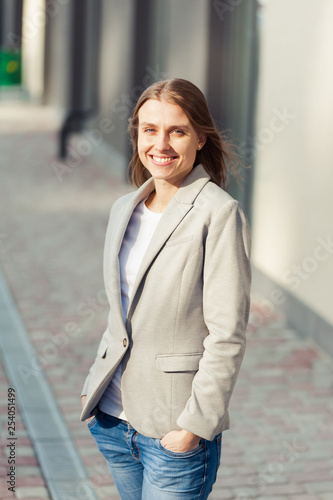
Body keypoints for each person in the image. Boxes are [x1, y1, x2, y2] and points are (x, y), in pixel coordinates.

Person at [80, 78, 251, 499]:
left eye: (177, 131)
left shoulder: (218, 213)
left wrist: (194, 426)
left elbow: (227, 333)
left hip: (173, 433)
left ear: (199, 138)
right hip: (114, 420)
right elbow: (121, 310)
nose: (162, 143)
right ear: (137, 133)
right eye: (149, 129)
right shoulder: (125, 208)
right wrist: (94, 383)